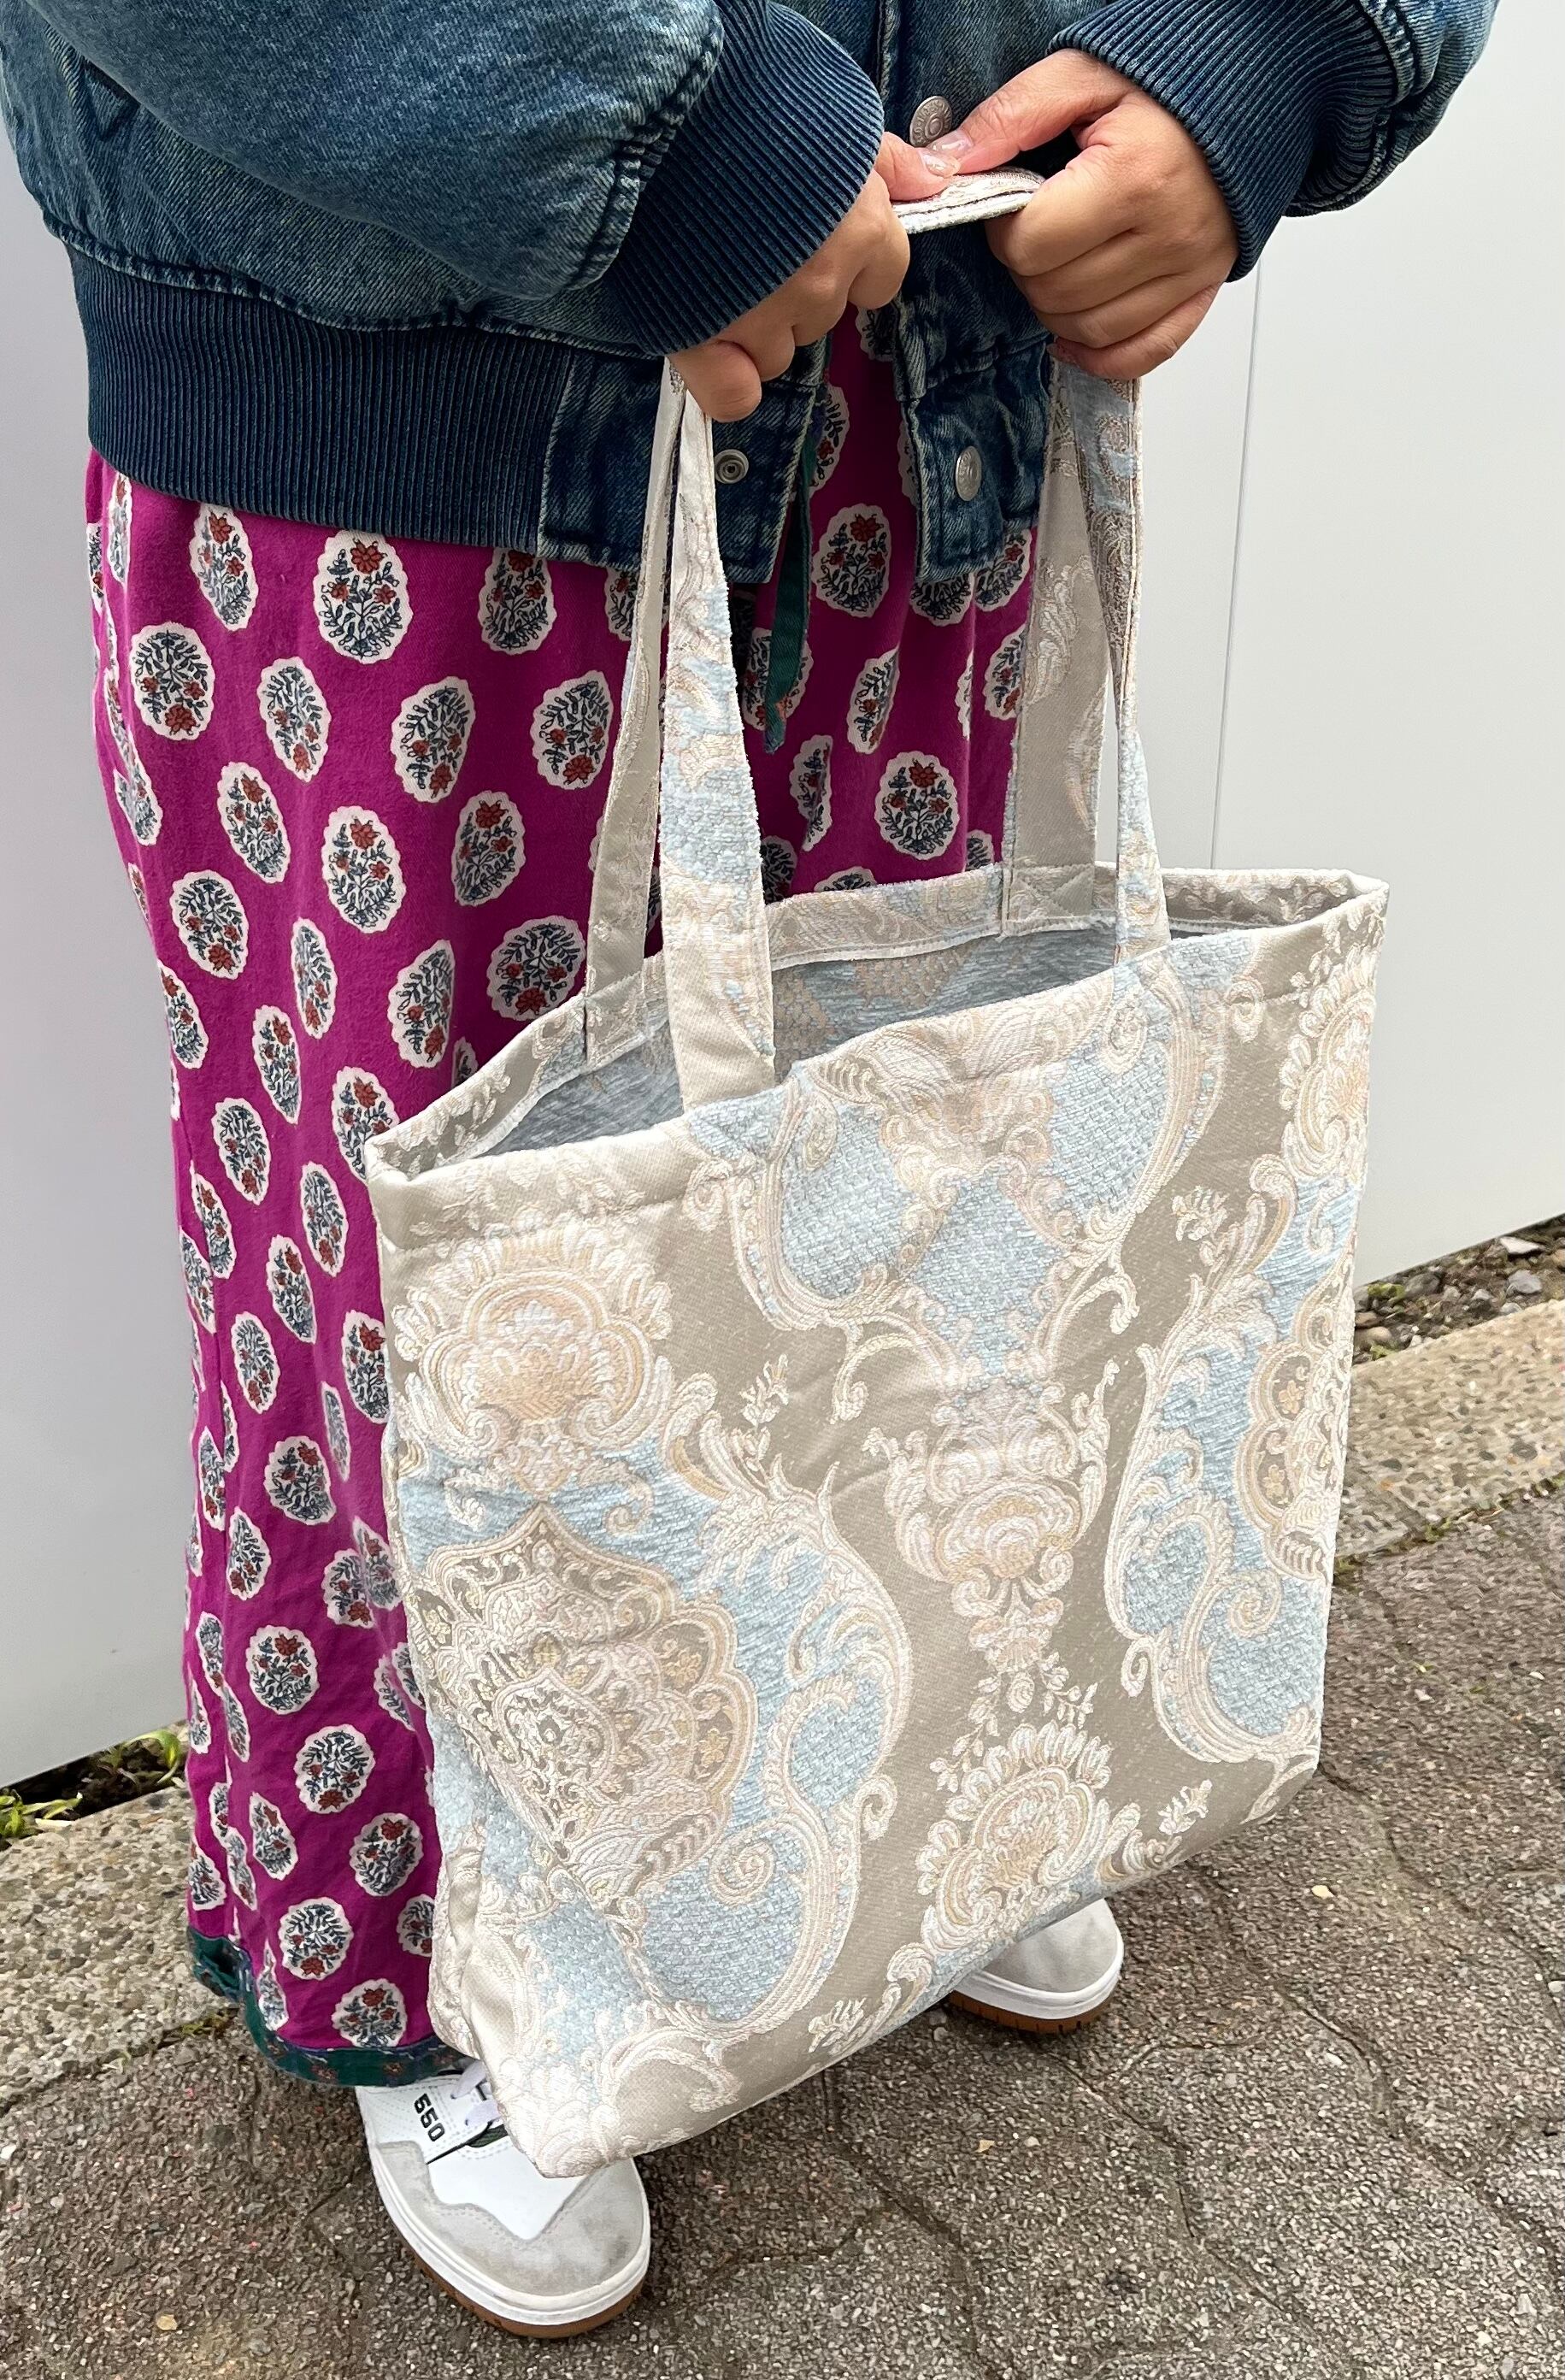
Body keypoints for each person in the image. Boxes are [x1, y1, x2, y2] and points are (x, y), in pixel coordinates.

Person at [1, 0, 1490, 2338]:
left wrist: (1259, 53)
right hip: (420, 413)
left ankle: (939, 1787)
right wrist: (647, 139)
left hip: (935, 341)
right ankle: (430, 1962)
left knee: (919, 1204)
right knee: (426, 1272)